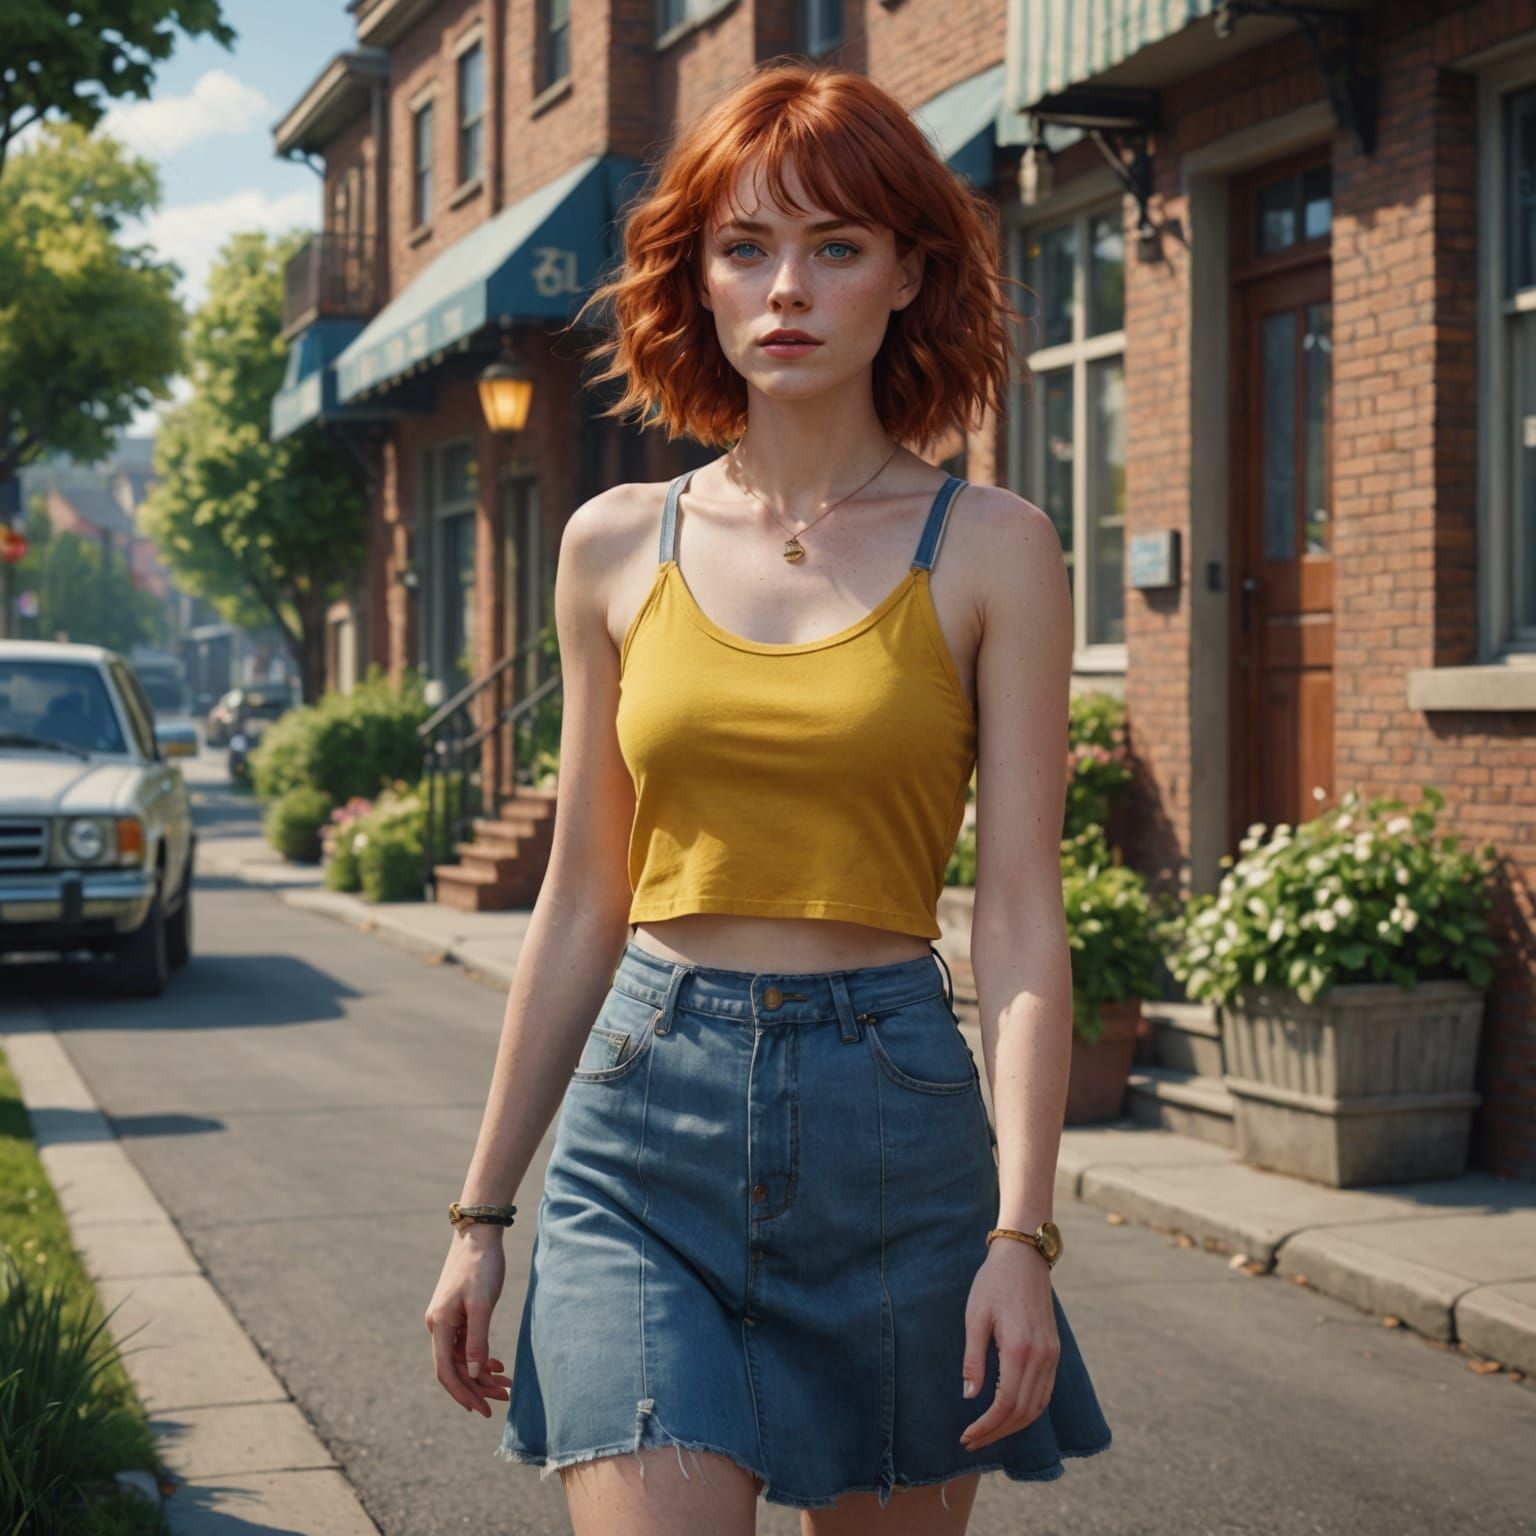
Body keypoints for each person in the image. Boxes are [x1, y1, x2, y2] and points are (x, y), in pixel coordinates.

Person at [424, 58, 1112, 1536]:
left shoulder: (994, 547)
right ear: (702, 283)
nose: (787, 288)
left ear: (908, 274)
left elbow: (1017, 916)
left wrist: (1023, 1233)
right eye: (747, 247)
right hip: (640, 1140)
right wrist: (483, 1215)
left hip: (897, 1139)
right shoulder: (616, 544)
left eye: (836, 246)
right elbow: (583, 895)